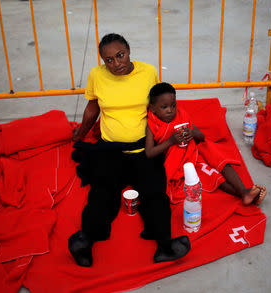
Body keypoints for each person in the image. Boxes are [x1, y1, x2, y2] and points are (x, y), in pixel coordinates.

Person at [68, 34, 190, 267]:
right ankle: (85, 242)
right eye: (109, 60)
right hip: (109, 149)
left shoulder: (148, 72)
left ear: (129, 50)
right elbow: (92, 108)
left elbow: (158, 106)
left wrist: (172, 133)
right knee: (101, 192)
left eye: (120, 55)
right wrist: (80, 134)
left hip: (144, 149)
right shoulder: (97, 75)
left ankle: (164, 246)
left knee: (155, 193)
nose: (116, 64)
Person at [145, 82, 267, 205]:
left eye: (173, 105)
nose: (170, 110)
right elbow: (149, 153)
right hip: (177, 162)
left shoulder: (181, 115)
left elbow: (201, 136)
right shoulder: (151, 124)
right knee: (213, 177)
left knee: (218, 159)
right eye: (164, 107)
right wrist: (171, 141)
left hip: (194, 152)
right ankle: (244, 194)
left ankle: (245, 192)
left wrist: (191, 133)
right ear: (153, 108)